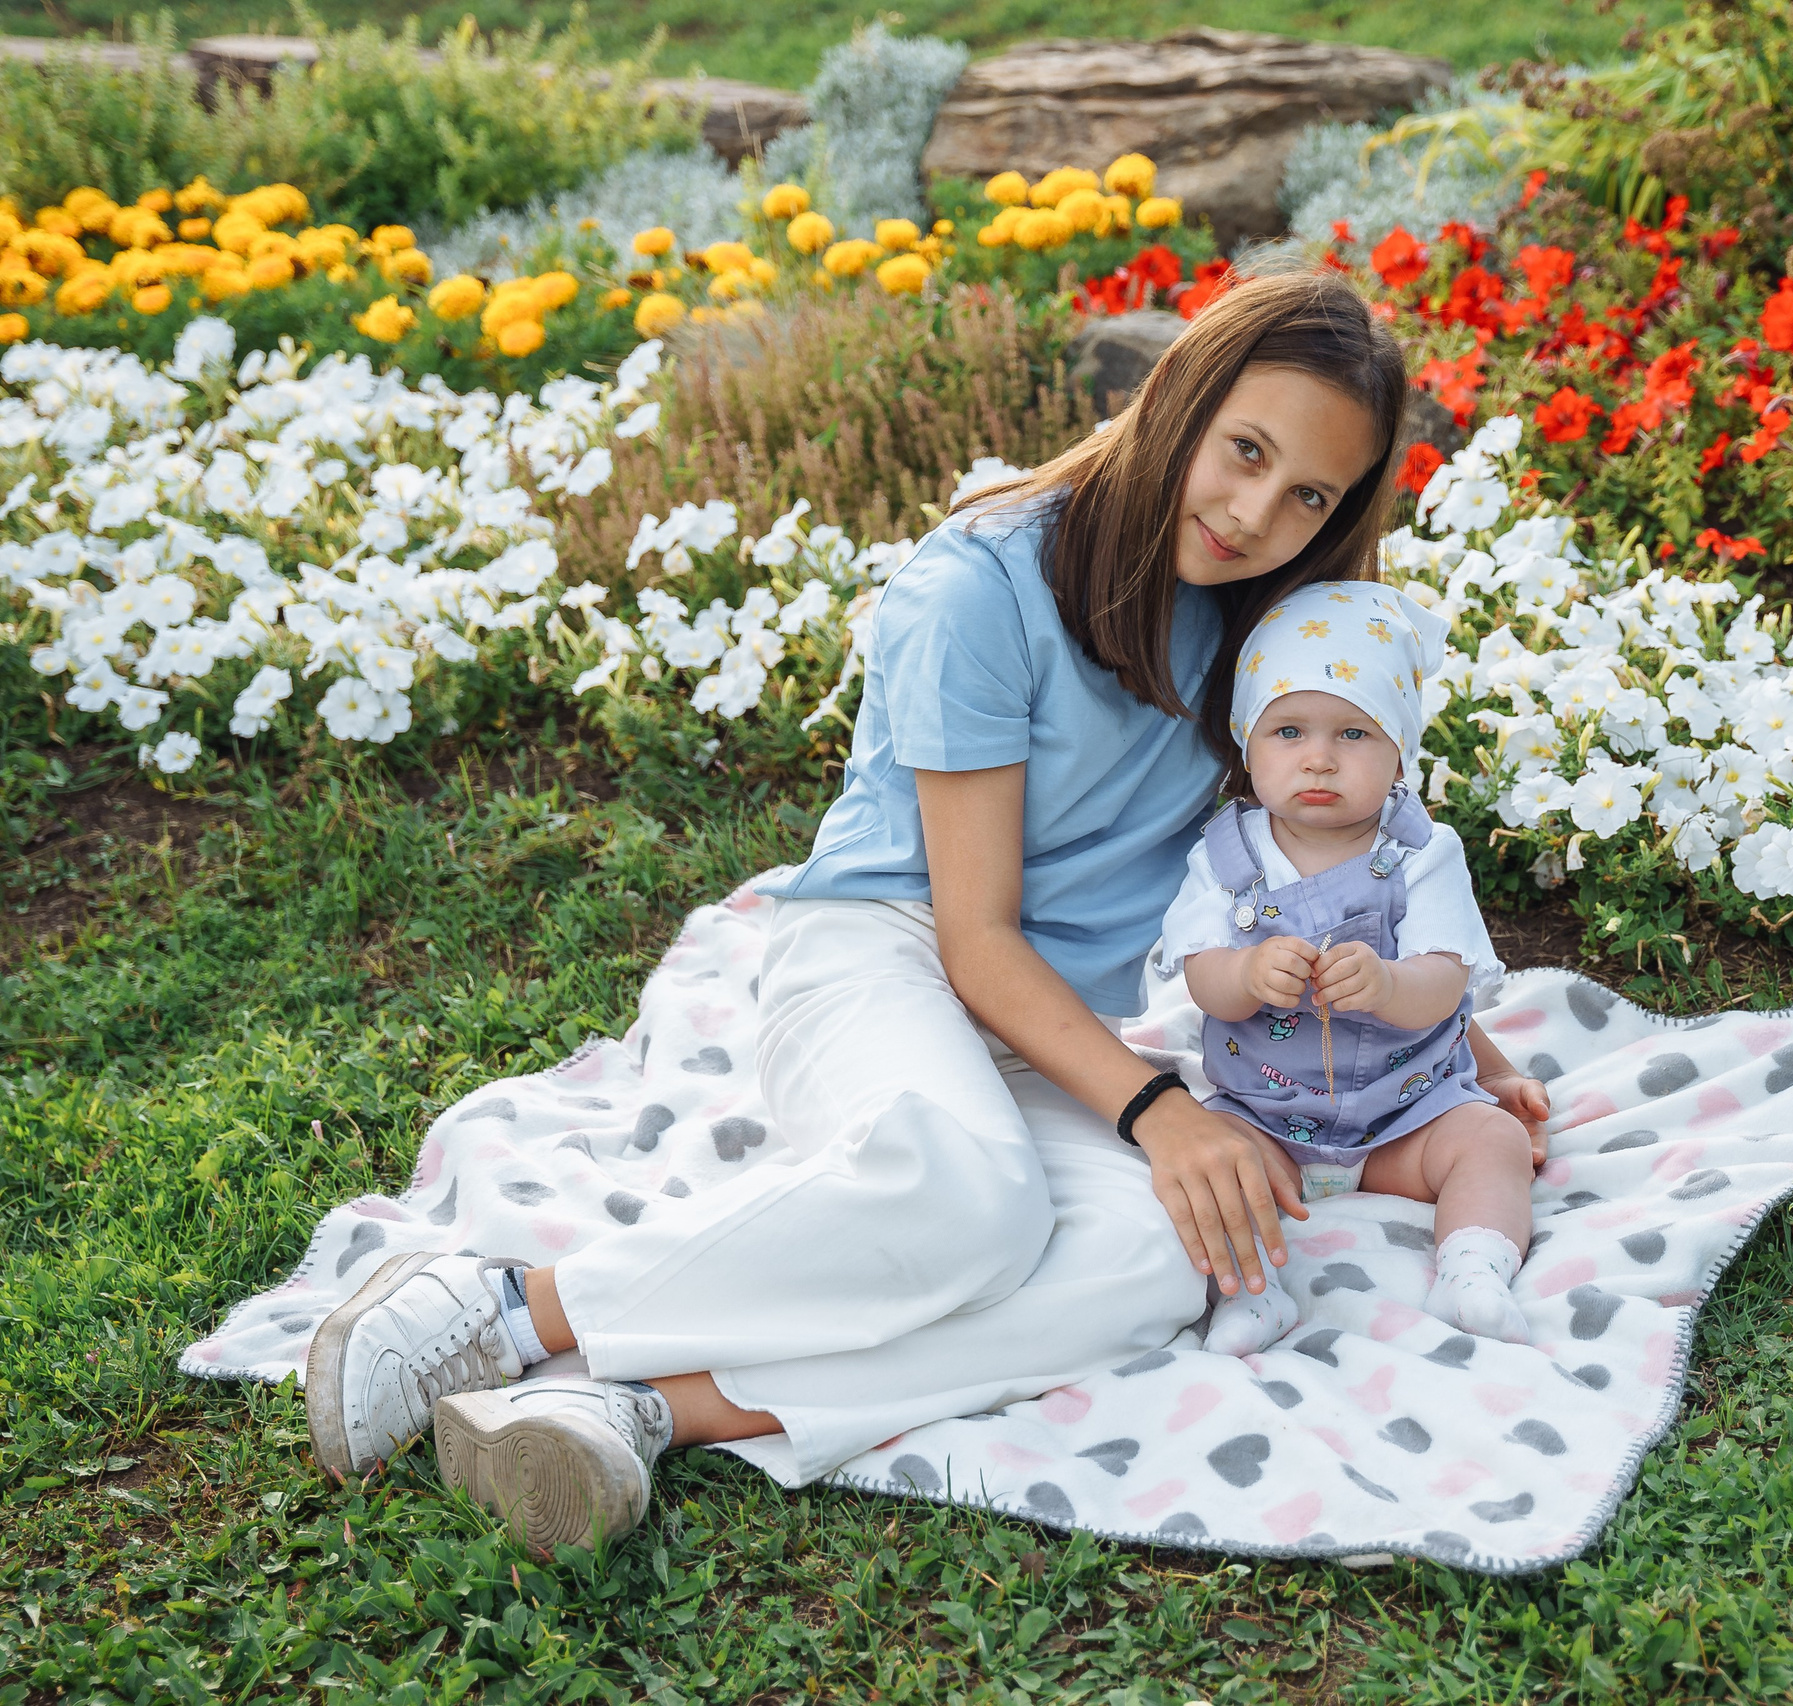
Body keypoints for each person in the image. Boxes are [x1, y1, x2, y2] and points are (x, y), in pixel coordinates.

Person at [298, 265, 1552, 1556]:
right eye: (1245, 451)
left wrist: (1462, 1052)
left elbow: (1313, 859)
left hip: (1052, 1026)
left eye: (1309, 495)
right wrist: (1160, 1108)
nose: (1255, 512)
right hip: (886, 954)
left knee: (1174, 1256)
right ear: (1177, 393)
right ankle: (510, 1302)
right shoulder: (978, 589)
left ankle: (634, 1406)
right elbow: (975, 936)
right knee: (970, 1197)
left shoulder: (1256, 632)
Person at [1162, 578, 1540, 1355]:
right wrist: (1247, 977)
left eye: (1355, 735)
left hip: (1406, 1113)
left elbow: (1446, 980)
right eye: (1289, 731)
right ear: (1248, 744)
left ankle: (1473, 1266)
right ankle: (1254, 1296)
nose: (1321, 760)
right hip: (1264, 1113)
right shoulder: (1225, 858)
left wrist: (1390, 984)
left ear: (1400, 745)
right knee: (1214, 1165)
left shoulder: (1421, 853)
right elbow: (1202, 977)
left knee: (1492, 1143)